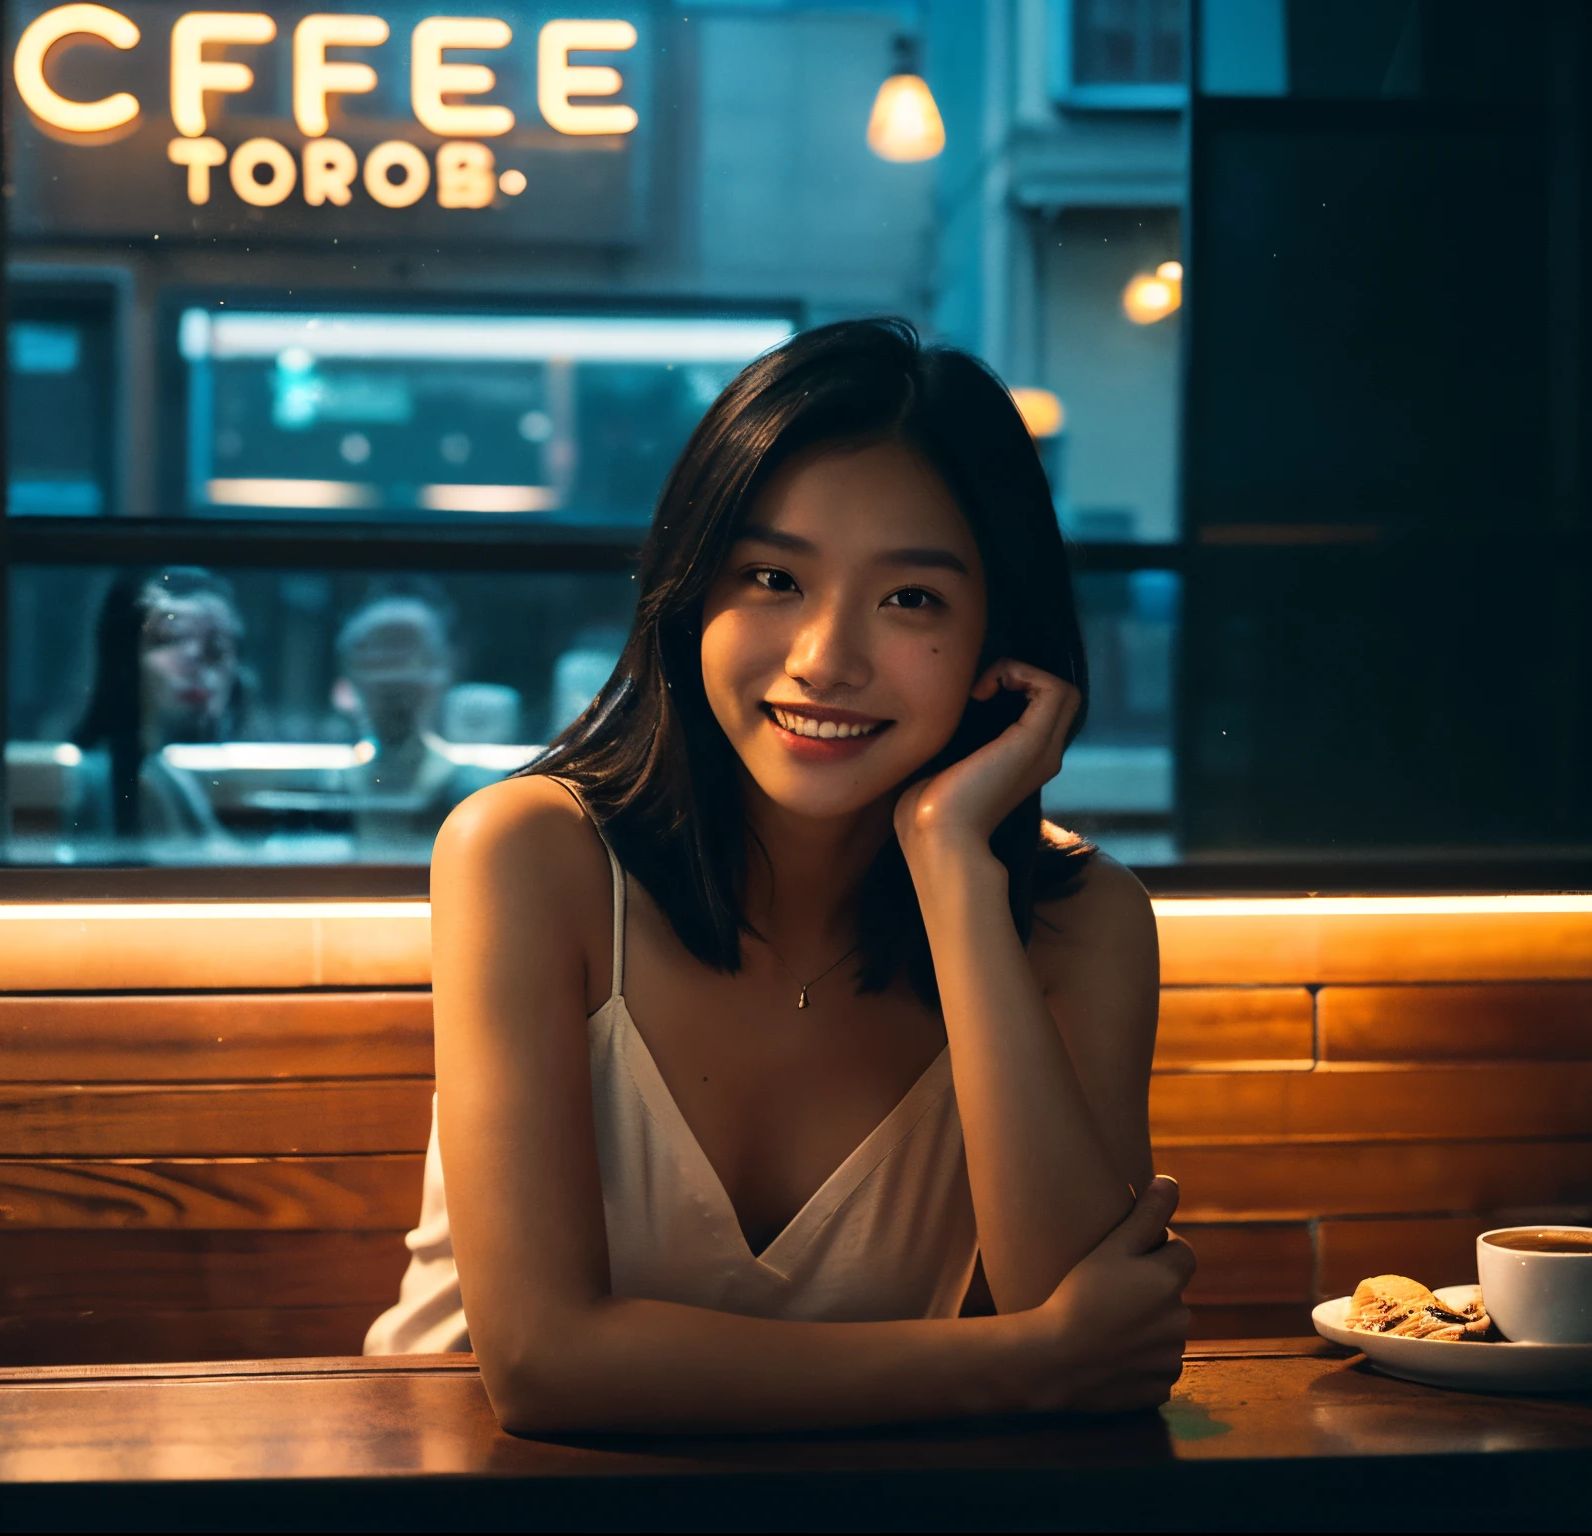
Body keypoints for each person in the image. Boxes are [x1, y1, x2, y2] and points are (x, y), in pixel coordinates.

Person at [362, 320, 1192, 1433]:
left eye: (911, 600)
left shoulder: (1080, 922)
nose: (823, 659)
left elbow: (1087, 1335)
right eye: (771, 577)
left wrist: (953, 871)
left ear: (1004, 633)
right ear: (690, 589)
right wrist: (1023, 1362)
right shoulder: (526, 856)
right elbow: (542, 1361)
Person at [66, 566, 247, 853]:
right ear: (124, 655)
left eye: (217, 646)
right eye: (170, 638)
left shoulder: (168, 774)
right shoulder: (122, 780)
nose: (194, 659)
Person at [332, 591, 501, 861]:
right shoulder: (335, 789)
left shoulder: (476, 792)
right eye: (377, 662)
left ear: (445, 671)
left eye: (410, 660)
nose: (395, 680)